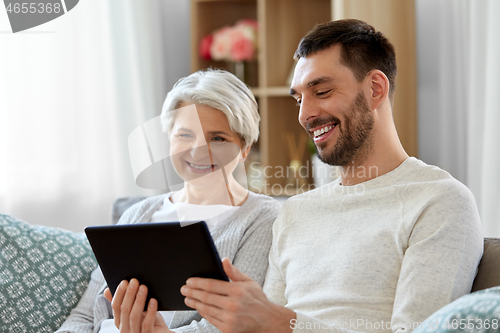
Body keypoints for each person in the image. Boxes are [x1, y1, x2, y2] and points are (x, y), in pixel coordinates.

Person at [177, 19, 484, 333]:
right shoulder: (296, 212)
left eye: (321, 91)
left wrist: (282, 323)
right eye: (298, 99)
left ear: (375, 89)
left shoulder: (439, 201)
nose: (304, 114)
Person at [56, 69, 281, 333]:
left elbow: (237, 323)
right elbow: (83, 316)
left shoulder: (263, 219)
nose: (198, 150)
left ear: (244, 148)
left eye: (218, 138)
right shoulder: (137, 214)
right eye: (185, 135)